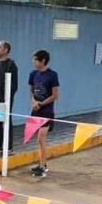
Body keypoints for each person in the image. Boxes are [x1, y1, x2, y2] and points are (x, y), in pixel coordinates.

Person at [28, 50, 60, 178]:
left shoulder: (52, 75)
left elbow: (55, 95)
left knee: (41, 137)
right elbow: (31, 91)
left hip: (47, 111)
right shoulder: (33, 74)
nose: (33, 62)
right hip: (36, 110)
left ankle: (43, 166)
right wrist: (34, 102)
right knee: (39, 140)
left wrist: (41, 103)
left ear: (43, 61)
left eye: (36, 60)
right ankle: (42, 163)